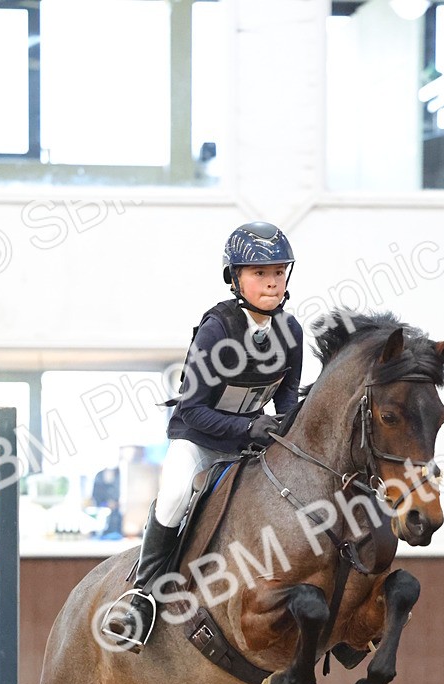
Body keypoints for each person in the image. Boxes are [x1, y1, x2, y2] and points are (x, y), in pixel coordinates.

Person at [107, 220, 304, 651]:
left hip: (248, 445)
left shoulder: (291, 332)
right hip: (197, 439)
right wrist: (250, 426)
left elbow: (287, 404)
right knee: (176, 494)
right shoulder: (219, 328)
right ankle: (141, 596)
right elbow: (193, 409)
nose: (271, 282)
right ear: (235, 278)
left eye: (278, 272)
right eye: (259, 273)